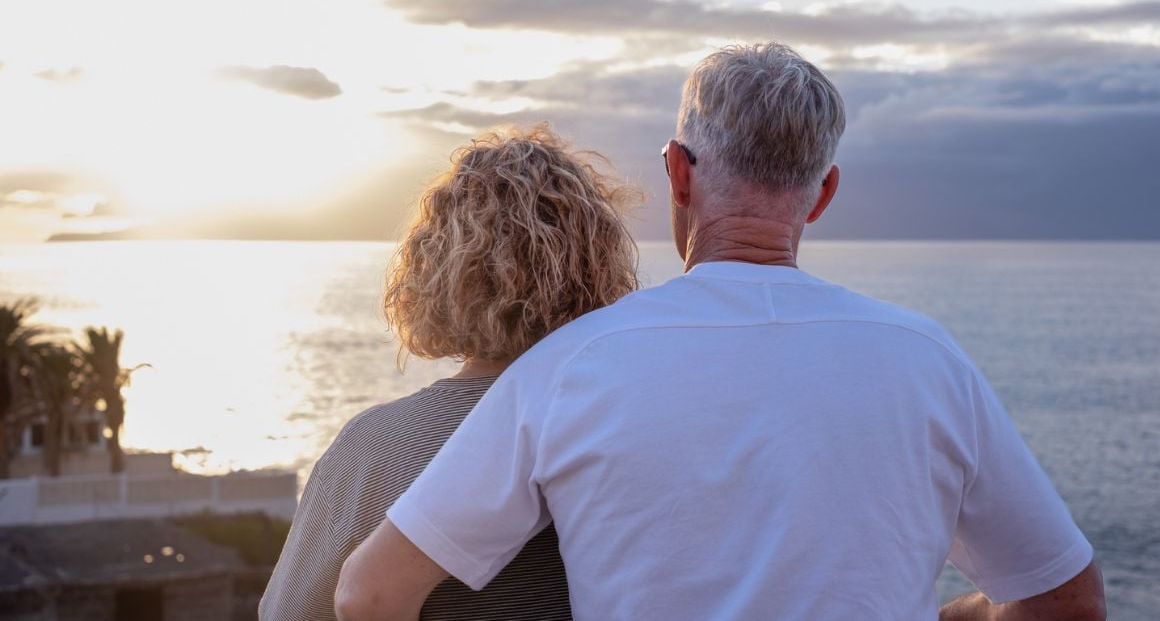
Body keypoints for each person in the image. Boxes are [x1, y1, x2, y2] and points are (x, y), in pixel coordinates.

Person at [335, 44, 1106, 620]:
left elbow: (369, 592)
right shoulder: (930, 362)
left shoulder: (572, 364)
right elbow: (1067, 600)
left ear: (678, 173)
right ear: (823, 194)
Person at [259, 125, 639, 620]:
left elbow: (289, 613)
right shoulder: (625, 431)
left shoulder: (373, 446)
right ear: (599, 265)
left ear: (435, 267)